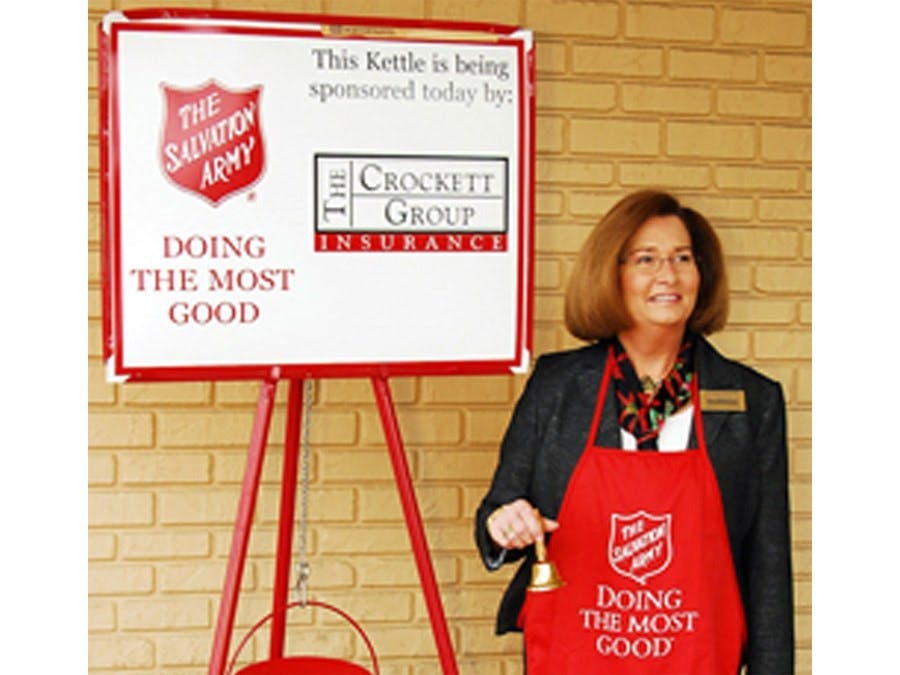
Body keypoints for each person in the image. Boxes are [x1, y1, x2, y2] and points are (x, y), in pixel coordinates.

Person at [474, 190, 794, 674]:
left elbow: (768, 569)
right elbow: (497, 511)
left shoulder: (751, 401)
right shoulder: (559, 386)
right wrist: (504, 525)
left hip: (699, 658)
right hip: (578, 654)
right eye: (646, 259)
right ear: (613, 273)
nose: (668, 275)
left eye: (682, 258)